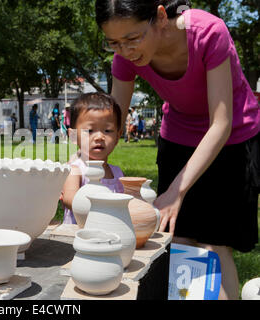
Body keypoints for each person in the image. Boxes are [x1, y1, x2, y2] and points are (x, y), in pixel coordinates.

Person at [96, 0, 260, 299]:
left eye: (133, 39)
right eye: (114, 43)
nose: (126, 51)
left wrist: (175, 192)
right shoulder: (124, 57)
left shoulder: (208, 31)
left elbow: (221, 123)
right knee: (181, 238)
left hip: (233, 138)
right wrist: (86, 163)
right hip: (179, 137)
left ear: (160, 16)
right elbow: (114, 121)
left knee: (214, 243)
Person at [60, 92, 125, 224]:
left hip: (109, 234)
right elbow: (69, 198)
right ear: (73, 136)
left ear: (118, 136)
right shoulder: (75, 170)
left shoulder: (117, 173)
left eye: (107, 130)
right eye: (90, 131)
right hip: (75, 237)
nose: (99, 137)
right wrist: (103, 209)